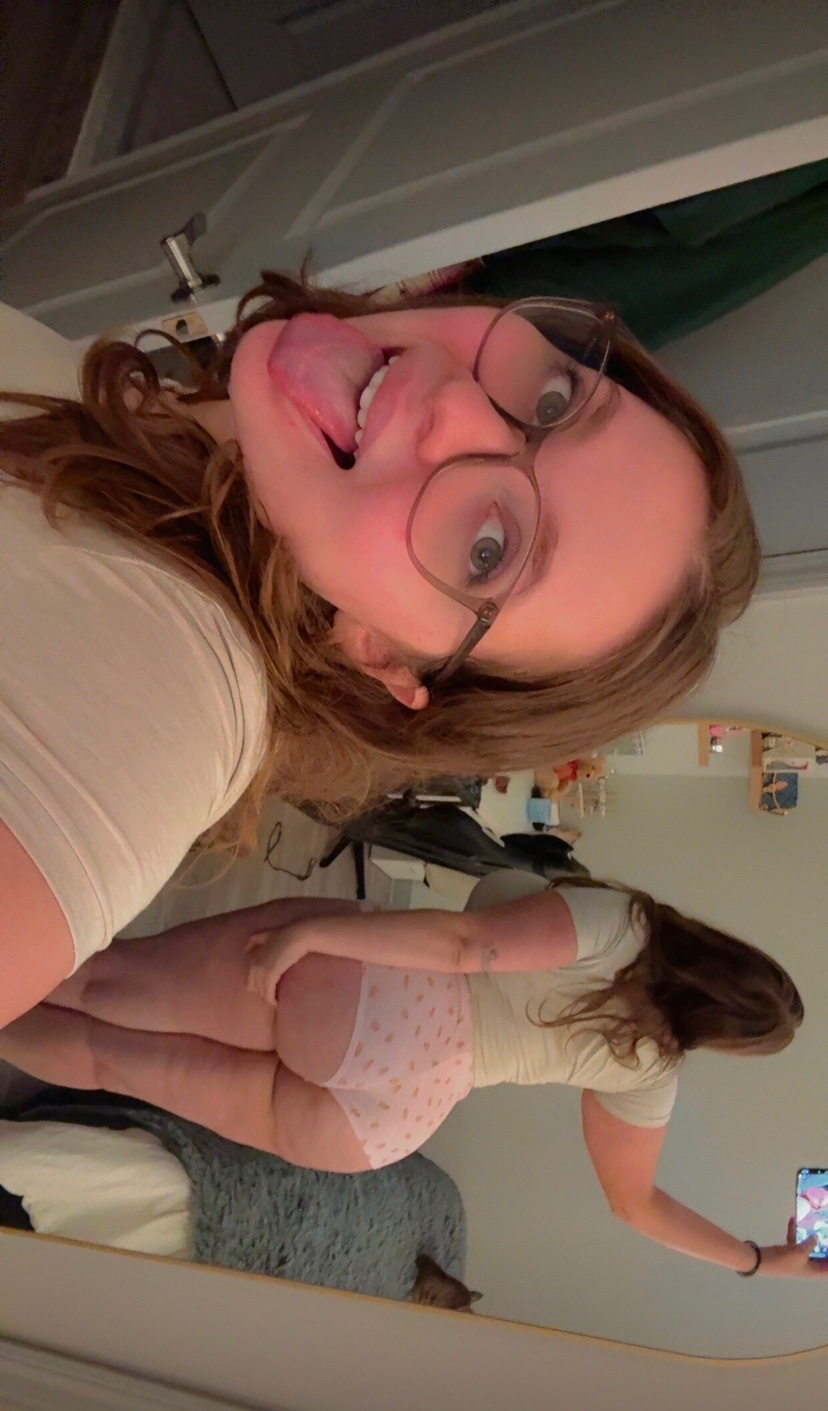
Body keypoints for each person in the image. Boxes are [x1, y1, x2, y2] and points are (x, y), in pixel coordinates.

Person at [0, 274, 760, 1026]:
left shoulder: (156, 701)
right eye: (555, 399)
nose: (457, 405)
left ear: (384, 656)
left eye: (489, 550)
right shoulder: (167, 430)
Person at [0, 883, 819, 1279]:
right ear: (721, 1037)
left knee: (107, 982)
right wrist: (755, 1259)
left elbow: (468, 942)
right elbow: (634, 1204)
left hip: (381, 1000)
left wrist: (312, 930)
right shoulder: (653, 1069)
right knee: (110, 1060)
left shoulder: (627, 926)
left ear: (723, 947)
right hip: (392, 1117)